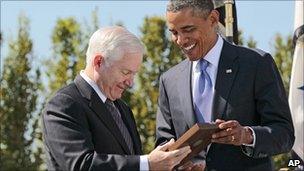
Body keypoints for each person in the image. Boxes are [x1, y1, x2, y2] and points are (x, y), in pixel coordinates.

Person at [155, 0, 295, 170]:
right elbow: (164, 143)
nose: (180, 40)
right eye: (174, 32)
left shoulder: (256, 64)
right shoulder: (169, 80)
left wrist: (246, 135)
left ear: (213, 19)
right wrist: (178, 166)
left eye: (188, 29)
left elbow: (284, 134)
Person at [42, 26, 191, 171]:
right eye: (126, 72)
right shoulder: (63, 105)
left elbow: (133, 163)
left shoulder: (122, 109)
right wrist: (148, 164)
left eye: (134, 74)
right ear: (99, 62)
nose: (131, 82)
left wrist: (168, 166)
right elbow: (81, 165)